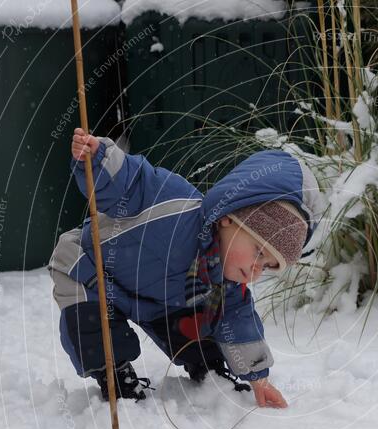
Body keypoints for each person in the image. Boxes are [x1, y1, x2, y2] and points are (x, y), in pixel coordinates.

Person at [48, 128, 323, 408]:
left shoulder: (224, 282)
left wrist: (259, 379)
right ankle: (114, 376)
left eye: (266, 267)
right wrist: (99, 160)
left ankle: (209, 365)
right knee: (93, 326)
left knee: (207, 317)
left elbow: (240, 322)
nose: (255, 270)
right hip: (91, 272)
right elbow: (133, 183)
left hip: (157, 298)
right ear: (229, 218)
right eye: (259, 252)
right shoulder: (173, 203)